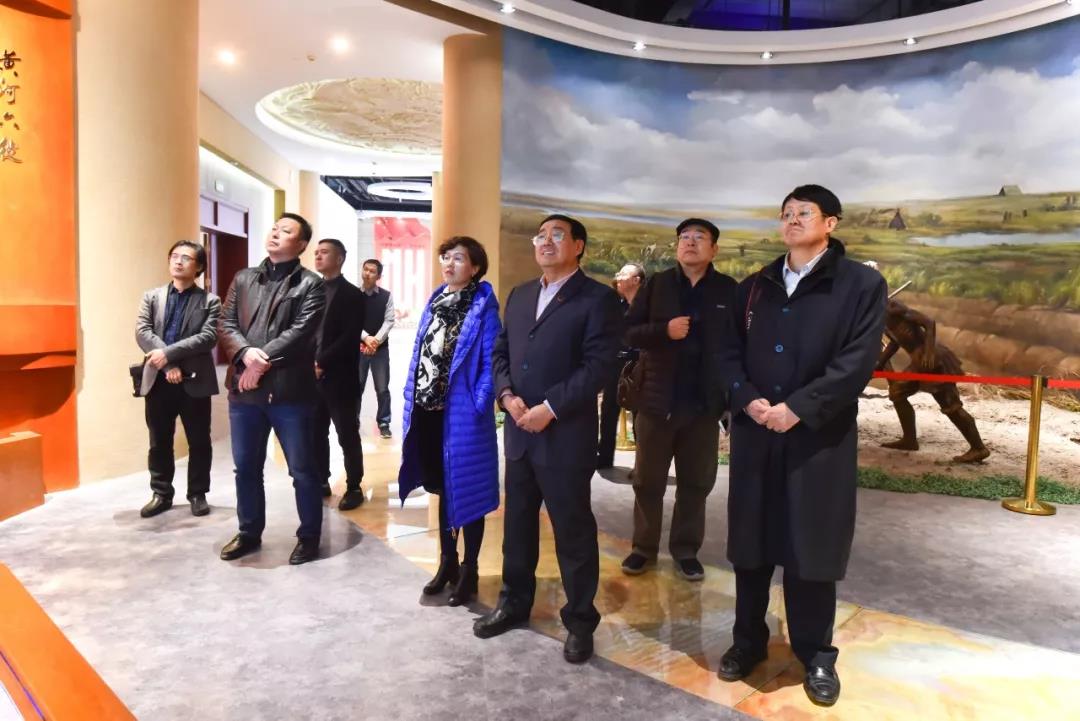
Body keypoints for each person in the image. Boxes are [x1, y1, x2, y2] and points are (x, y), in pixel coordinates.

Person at [719, 185, 886, 706]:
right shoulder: (755, 285)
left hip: (818, 439)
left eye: (804, 213)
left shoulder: (860, 284)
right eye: (786, 213)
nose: (792, 220)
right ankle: (747, 641)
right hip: (756, 435)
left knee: (811, 545)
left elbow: (856, 362)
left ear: (830, 223)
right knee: (750, 545)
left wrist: (798, 408)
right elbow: (727, 352)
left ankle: (816, 654)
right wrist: (746, 399)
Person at [473, 214, 620, 665]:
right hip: (519, 433)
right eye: (541, 235)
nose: (546, 241)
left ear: (579, 246)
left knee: (573, 532)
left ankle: (580, 621)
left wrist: (550, 408)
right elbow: (500, 352)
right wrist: (506, 395)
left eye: (558, 235)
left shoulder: (598, 298)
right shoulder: (520, 295)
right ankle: (514, 603)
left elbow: (599, 366)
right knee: (517, 528)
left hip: (565, 436)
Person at [621, 219, 737, 581]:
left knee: (696, 484)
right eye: (684, 237)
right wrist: (664, 331)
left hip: (703, 407)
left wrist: (730, 400)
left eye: (699, 237)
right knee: (647, 482)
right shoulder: (657, 285)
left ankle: (686, 551)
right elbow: (629, 331)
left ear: (714, 249)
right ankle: (643, 548)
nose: (690, 242)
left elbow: (738, 346)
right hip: (656, 403)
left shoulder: (728, 290)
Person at [217, 213, 327, 566]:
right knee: (246, 468)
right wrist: (246, 355)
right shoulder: (244, 277)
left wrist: (260, 362)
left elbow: (302, 332)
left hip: (289, 393)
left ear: (301, 244)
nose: (276, 234)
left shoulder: (311, 284)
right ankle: (249, 532)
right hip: (244, 393)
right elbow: (225, 323)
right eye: (275, 228)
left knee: (302, 470)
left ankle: (309, 536)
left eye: (287, 231)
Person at [397, 237, 501, 607]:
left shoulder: (483, 306)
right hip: (428, 411)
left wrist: (478, 404)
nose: (449, 263)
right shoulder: (436, 301)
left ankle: (470, 569)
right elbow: (420, 353)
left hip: (463, 415)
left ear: (475, 267)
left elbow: (491, 362)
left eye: (458, 258)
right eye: (446, 257)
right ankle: (447, 563)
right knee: (442, 488)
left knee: (469, 490)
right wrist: (410, 396)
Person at [135, 241, 220, 518]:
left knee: (199, 440)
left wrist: (167, 355)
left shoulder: (210, 301)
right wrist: (168, 365)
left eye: (186, 258)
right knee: (159, 440)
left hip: (195, 380)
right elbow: (142, 332)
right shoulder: (152, 297)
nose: (178, 261)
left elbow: (207, 337)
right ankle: (161, 493)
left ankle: (197, 493)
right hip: (159, 380)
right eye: (174, 256)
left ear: (199, 267)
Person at [877, 297, 990, 463]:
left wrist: (929, 352)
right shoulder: (879, 316)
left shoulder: (893, 307)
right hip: (918, 363)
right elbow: (894, 343)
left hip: (934, 360)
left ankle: (978, 448)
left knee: (951, 406)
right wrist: (880, 363)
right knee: (897, 393)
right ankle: (909, 439)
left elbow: (929, 323)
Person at [312, 238, 367, 510]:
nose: (318, 256)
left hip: (340, 377)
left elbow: (349, 337)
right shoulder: (311, 291)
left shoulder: (352, 295)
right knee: (315, 432)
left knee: (347, 434)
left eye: (324, 252)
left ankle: (354, 486)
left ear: (339, 258)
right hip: (310, 376)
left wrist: (322, 361)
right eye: (316, 252)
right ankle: (321, 480)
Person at [596, 263, 644, 470]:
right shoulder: (615, 304)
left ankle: (642, 464)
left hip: (640, 365)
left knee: (640, 414)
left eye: (623, 274)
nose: (618, 277)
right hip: (615, 364)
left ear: (636, 280)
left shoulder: (648, 306)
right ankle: (604, 457)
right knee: (608, 409)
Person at [357, 258, 395, 439]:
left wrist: (375, 341)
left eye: (372, 271)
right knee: (356, 387)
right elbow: (351, 321)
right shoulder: (353, 295)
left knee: (382, 388)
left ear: (378, 276)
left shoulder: (386, 296)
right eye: (365, 269)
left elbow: (389, 321)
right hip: (358, 349)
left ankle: (384, 422)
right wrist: (366, 338)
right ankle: (353, 420)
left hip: (380, 350)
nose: (367, 273)